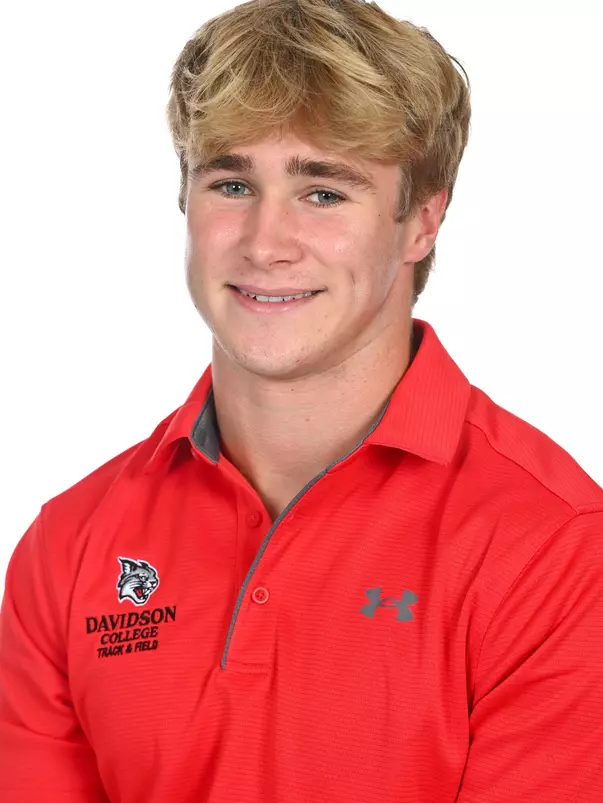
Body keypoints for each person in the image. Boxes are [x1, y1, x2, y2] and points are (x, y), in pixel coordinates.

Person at [1, 0, 602, 800]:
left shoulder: (554, 547)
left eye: (323, 192)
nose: (264, 242)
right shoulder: (70, 544)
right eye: (231, 182)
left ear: (422, 219)